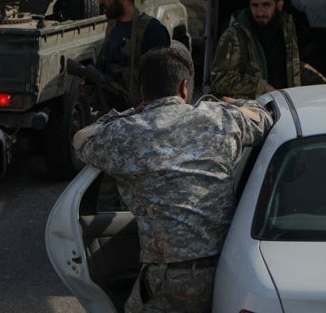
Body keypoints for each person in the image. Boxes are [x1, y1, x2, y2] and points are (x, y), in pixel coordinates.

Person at [74, 46, 272, 313]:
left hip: (169, 280)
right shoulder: (220, 119)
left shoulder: (126, 133)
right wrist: (230, 103)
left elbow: (82, 138)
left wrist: (133, 112)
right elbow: (262, 116)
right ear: (185, 87)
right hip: (229, 272)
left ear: (143, 90)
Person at [210, 0, 302, 97]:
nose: (259, 12)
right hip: (251, 108)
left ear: (279, 5)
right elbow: (219, 80)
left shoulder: (287, 29)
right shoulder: (235, 35)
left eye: (266, 5)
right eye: (255, 5)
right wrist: (261, 87)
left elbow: (294, 68)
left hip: (284, 104)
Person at [96, 0, 171, 103]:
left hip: (140, 114)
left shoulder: (152, 30)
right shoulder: (113, 26)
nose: (100, 0)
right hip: (110, 113)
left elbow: (161, 80)